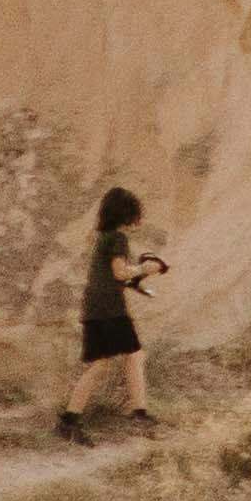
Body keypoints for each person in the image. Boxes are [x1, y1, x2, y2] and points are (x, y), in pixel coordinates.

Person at [58, 183, 153, 440]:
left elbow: (111, 277)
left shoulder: (103, 238)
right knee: (135, 356)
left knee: (100, 366)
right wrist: (144, 269)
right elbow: (120, 272)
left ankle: (69, 421)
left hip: (93, 308)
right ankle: (140, 416)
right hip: (111, 309)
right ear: (126, 213)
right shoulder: (118, 238)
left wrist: (134, 279)